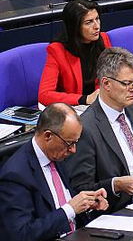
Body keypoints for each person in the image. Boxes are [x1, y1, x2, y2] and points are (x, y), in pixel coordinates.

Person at [67, 47, 133, 213]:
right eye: (127, 84)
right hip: (124, 208)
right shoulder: (86, 127)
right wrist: (116, 185)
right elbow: (82, 190)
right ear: (106, 84)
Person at [0, 103, 109, 241]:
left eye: (76, 142)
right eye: (69, 143)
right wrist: (70, 209)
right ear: (48, 136)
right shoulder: (15, 175)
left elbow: (68, 201)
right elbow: (22, 234)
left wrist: (89, 203)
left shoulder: (57, 156)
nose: (73, 150)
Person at [39, 0, 111, 106]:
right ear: (75, 27)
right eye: (89, 22)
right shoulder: (57, 50)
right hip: (75, 109)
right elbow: (44, 95)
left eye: (97, 19)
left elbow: (112, 75)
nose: (97, 26)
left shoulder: (103, 39)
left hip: (101, 105)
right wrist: (84, 99)